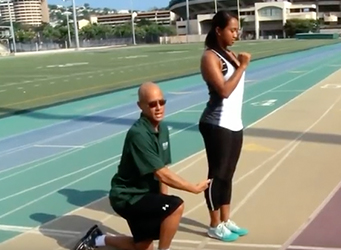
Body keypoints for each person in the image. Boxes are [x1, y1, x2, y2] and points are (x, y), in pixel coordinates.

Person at [74, 82, 211, 250]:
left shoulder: (163, 130)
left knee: (143, 246)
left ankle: (98, 239)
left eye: (162, 102)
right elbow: (162, 174)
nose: (159, 107)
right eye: (152, 104)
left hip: (145, 196)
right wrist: (193, 188)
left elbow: (162, 170)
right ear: (141, 106)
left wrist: (162, 200)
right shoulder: (138, 134)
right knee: (176, 206)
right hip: (128, 197)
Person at [198, 10, 252, 242]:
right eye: (232, 30)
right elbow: (224, 90)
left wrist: (238, 64)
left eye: (237, 30)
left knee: (228, 175)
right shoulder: (210, 57)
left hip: (234, 123)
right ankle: (214, 224)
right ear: (218, 30)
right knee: (217, 174)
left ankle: (226, 220)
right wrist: (242, 67)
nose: (236, 34)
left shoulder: (229, 55)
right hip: (215, 123)